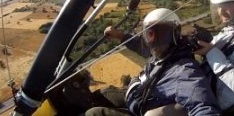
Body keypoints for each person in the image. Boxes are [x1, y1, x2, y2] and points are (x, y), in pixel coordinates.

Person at [86, 8, 221, 116]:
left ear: (175, 34)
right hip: (139, 94)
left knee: (93, 113)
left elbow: (203, 106)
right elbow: (140, 45)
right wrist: (120, 35)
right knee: (100, 94)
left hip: (141, 106)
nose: (155, 41)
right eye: (150, 34)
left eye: (162, 34)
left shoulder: (185, 70)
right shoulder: (162, 52)